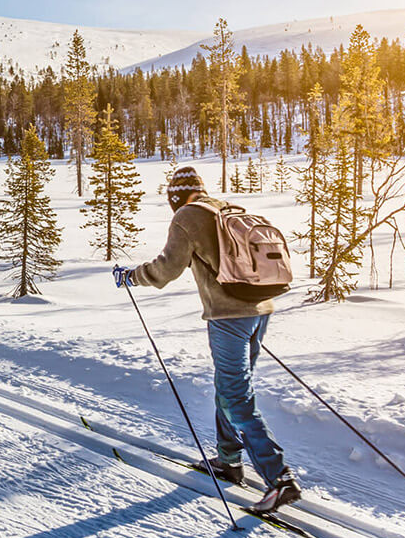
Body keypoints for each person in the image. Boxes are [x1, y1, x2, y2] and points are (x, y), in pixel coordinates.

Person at [113, 165, 301, 513]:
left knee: (234, 396)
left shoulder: (187, 216)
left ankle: (279, 479)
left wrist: (131, 277)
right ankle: (229, 461)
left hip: (229, 317)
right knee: (229, 389)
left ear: (174, 197)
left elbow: (166, 269)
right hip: (260, 310)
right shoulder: (225, 208)